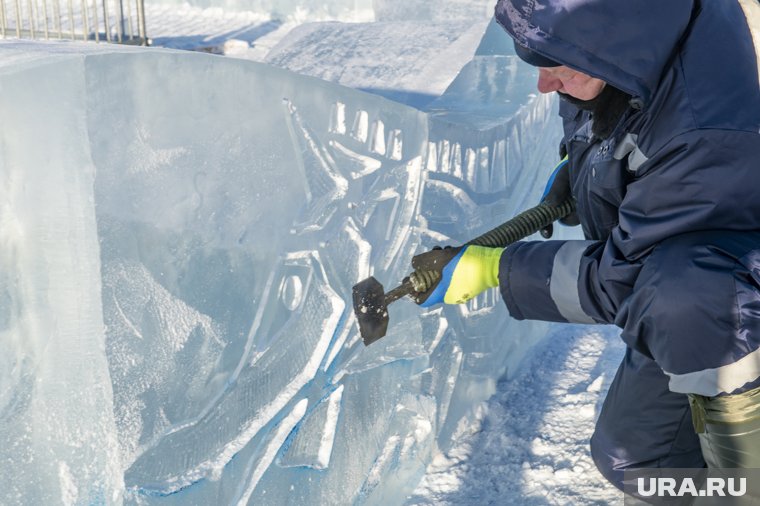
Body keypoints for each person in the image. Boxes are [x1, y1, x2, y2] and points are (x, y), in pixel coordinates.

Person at [411, 0, 760, 491]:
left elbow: (628, 281)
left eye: (557, 67)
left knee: (688, 294)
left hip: (723, 306)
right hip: (691, 305)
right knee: (636, 462)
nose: (543, 85)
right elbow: (617, 128)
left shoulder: (704, 131)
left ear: (616, 44)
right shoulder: (623, 53)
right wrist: (584, 175)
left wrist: (497, 270)